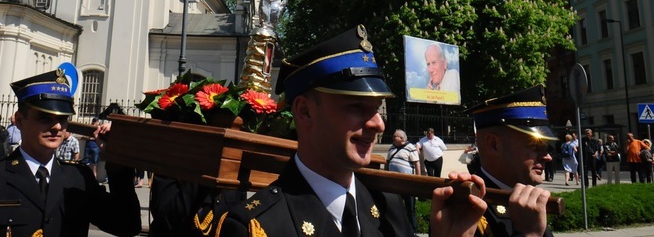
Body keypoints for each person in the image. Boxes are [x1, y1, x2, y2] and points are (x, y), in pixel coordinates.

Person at [211, 25, 487, 237]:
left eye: (378, 109)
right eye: (356, 107)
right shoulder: (255, 226)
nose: (378, 124)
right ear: (305, 111)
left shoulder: (387, 207)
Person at [0, 67, 141, 237]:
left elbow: (126, 225)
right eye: (44, 118)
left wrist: (117, 160)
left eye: (62, 118)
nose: (56, 126)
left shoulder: (77, 177)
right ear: (20, 121)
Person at [469, 85, 556, 237]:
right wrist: (529, 234)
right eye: (535, 145)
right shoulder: (466, 208)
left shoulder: (528, 200)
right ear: (493, 144)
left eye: (547, 147)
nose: (548, 156)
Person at [386, 129, 420, 232]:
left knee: (410, 208)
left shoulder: (411, 148)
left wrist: (418, 179)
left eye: (395, 136)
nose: (393, 137)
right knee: (395, 206)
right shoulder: (391, 148)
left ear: (401, 138)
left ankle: (412, 229)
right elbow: (387, 162)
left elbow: (417, 164)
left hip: (407, 183)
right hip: (394, 183)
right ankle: (398, 229)